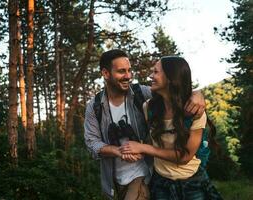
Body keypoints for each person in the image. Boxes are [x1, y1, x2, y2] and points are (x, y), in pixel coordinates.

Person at [84, 50, 205, 200]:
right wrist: (118, 151)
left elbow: (174, 89)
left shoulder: (142, 93)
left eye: (129, 70)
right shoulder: (94, 106)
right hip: (115, 181)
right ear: (106, 73)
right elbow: (91, 143)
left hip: (144, 174)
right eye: (122, 71)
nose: (128, 76)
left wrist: (197, 93)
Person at [120, 56, 223, 200]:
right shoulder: (148, 107)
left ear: (170, 78)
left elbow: (184, 157)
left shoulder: (194, 111)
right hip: (161, 183)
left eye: (156, 72)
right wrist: (134, 150)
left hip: (192, 182)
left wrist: (142, 148)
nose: (151, 76)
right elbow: (154, 141)